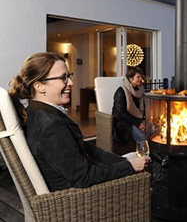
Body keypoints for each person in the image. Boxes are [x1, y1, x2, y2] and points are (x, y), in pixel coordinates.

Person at [8, 52, 150, 192]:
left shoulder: (40, 113)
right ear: (39, 86)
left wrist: (124, 162)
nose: (71, 83)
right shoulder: (50, 126)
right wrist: (130, 167)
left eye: (69, 76)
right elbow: (83, 177)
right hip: (81, 199)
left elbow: (86, 148)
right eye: (63, 78)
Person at [112, 66, 146, 144]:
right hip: (123, 124)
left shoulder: (140, 91)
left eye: (141, 76)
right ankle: (144, 155)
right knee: (142, 137)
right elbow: (120, 114)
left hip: (137, 120)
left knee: (154, 132)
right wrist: (138, 123)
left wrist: (144, 121)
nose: (141, 79)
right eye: (138, 77)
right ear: (131, 79)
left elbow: (142, 109)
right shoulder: (121, 92)